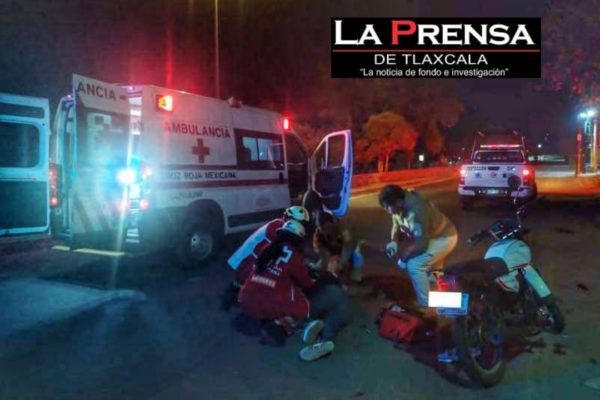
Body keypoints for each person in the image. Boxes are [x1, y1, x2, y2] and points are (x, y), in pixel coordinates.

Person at [378, 184, 458, 315]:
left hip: (444, 238)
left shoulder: (416, 211)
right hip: (433, 236)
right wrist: (393, 242)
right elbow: (396, 225)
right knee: (432, 275)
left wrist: (404, 257)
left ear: (399, 202)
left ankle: (425, 306)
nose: (387, 210)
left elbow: (421, 245)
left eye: (388, 207)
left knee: (414, 265)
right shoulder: (399, 205)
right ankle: (447, 303)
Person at [220, 206, 310, 311]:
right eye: (301, 223)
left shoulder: (278, 223)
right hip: (249, 259)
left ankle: (232, 299)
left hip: (249, 256)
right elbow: (287, 249)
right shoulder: (278, 227)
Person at [237, 220, 314, 341]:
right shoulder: (294, 255)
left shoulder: (268, 248)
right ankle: (283, 325)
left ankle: (262, 320)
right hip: (267, 305)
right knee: (302, 305)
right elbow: (306, 282)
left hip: (245, 298)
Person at [311, 210, 364, 285]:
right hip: (331, 253)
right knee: (319, 267)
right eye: (320, 227)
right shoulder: (319, 232)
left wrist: (341, 261)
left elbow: (348, 245)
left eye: (325, 227)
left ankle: (356, 278)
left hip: (346, 250)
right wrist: (328, 258)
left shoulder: (343, 228)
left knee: (357, 256)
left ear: (330, 223)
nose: (322, 229)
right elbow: (318, 248)